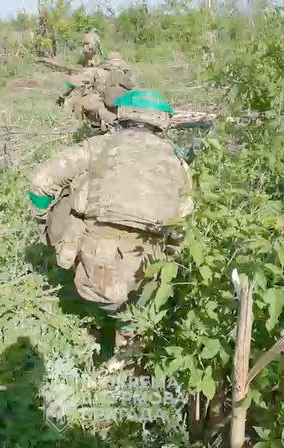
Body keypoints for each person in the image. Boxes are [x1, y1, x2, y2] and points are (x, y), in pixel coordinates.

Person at [28, 90, 193, 357]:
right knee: (136, 313)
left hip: (94, 259)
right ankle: (125, 348)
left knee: (98, 297)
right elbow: (183, 219)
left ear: (122, 114)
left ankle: (87, 335)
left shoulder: (99, 146)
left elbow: (41, 180)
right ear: (162, 120)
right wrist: (172, 255)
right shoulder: (178, 162)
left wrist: (42, 220)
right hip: (148, 262)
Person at [55, 52, 136, 132]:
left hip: (97, 105)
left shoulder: (96, 72)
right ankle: (110, 122)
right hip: (115, 109)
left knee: (80, 103)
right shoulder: (124, 76)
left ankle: (82, 126)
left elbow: (72, 83)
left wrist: (62, 96)